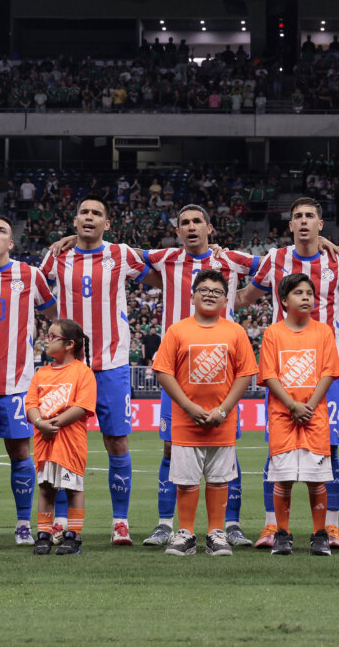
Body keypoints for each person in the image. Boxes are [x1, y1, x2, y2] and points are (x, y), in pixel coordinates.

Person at [236, 197, 339, 549]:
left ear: (321, 224)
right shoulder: (275, 259)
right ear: (289, 225)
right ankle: (272, 526)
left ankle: (330, 527)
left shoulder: (338, 259)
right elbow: (246, 296)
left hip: (324, 372)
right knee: (276, 451)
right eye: (297, 217)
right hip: (283, 375)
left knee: (330, 448)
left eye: (310, 216)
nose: (304, 221)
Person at [138, 205, 256, 548]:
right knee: (170, 448)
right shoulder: (165, 257)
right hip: (178, 371)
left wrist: (322, 240)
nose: (191, 227)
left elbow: (281, 262)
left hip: (221, 371)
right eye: (184, 223)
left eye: (197, 222)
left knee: (227, 451)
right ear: (177, 231)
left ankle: (229, 524)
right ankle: (166, 524)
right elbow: (115, 250)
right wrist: (73, 237)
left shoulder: (232, 259)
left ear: (210, 228)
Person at [39, 196, 149, 546]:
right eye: (83, 212)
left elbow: (159, 277)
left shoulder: (122, 254)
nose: (89, 217)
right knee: (57, 440)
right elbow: (38, 295)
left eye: (97, 213)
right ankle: (58, 521)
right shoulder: (56, 256)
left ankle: (120, 522)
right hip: (67, 367)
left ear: (107, 224)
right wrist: (59, 330)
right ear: (75, 222)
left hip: (112, 364)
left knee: (117, 441)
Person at [0, 216, 57, 546]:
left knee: (20, 451)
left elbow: (52, 312)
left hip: (15, 383)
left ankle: (22, 524)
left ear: (11, 243)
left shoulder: (29, 275)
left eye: (1, 231)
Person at [152, 270, 258, 557]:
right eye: (204, 289)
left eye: (216, 291)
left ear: (225, 300)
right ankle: (185, 532)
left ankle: (215, 532)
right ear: (192, 295)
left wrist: (222, 410)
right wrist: (189, 407)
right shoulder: (177, 330)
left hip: (221, 422)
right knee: (185, 481)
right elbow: (163, 371)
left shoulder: (235, 332)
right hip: (186, 423)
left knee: (219, 480)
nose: (210, 294)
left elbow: (245, 375)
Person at [257, 273, 339, 556]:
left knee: (316, 478)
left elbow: (329, 372)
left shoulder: (323, 332)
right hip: (283, 416)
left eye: (309, 292)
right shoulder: (273, 334)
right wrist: (293, 406)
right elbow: (269, 375)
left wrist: (308, 406)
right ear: (284, 300)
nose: (306, 297)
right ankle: (283, 533)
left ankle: (320, 535)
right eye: (298, 293)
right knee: (282, 477)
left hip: (314, 415)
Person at [27, 319, 97, 557]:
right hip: (44, 441)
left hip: (70, 442)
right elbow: (31, 404)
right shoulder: (41, 373)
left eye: (52, 337)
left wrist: (51, 424)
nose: (46, 341)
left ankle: (73, 536)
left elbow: (82, 406)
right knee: (46, 488)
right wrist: (40, 423)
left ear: (68, 344)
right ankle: (43, 535)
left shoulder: (83, 373)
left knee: (73, 488)